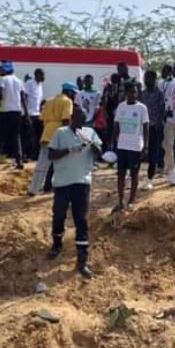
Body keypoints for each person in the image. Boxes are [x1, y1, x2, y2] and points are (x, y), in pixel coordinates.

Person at [47, 105, 102, 279]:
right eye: (78, 118)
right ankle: (56, 244)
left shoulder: (90, 132)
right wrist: (70, 150)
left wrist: (92, 144)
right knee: (58, 215)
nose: (81, 122)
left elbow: (99, 153)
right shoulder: (60, 133)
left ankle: (82, 261)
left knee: (82, 220)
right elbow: (51, 155)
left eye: (84, 119)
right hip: (63, 183)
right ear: (72, 117)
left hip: (82, 182)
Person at [28, 83, 76, 196]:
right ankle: (57, 186)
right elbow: (66, 119)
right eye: (73, 93)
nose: (73, 96)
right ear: (68, 92)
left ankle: (33, 189)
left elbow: (42, 118)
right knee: (60, 162)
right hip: (59, 134)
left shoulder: (49, 101)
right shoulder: (67, 102)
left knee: (42, 164)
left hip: (47, 132)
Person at [113, 81, 149, 212]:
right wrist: (113, 142)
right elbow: (116, 125)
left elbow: (146, 127)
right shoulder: (121, 107)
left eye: (135, 91)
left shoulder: (142, 108)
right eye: (131, 92)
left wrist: (145, 146)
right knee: (121, 174)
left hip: (135, 147)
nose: (134, 94)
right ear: (126, 93)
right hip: (122, 146)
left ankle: (131, 201)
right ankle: (120, 200)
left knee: (134, 174)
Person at [0, 61, 27, 169]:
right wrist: (27, 113)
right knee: (16, 137)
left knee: (1, 137)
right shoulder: (19, 81)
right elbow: (23, 98)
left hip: (5, 112)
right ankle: (19, 161)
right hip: (17, 111)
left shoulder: (3, 80)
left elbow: (0, 93)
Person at [140, 69, 165, 191]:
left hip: (154, 128)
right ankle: (135, 177)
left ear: (155, 80)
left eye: (151, 78)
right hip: (141, 128)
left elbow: (162, 111)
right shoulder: (141, 94)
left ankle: (150, 180)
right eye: (146, 78)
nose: (148, 80)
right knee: (139, 152)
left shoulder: (160, 94)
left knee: (153, 155)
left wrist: (158, 124)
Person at [24, 68, 45, 160]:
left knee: (38, 136)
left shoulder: (40, 85)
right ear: (37, 74)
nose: (44, 77)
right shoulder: (29, 83)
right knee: (29, 136)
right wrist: (26, 114)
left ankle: (35, 155)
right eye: (42, 75)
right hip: (30, 114)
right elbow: (24, 98)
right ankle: (28, 155)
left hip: (37, 114)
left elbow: (38, 100)